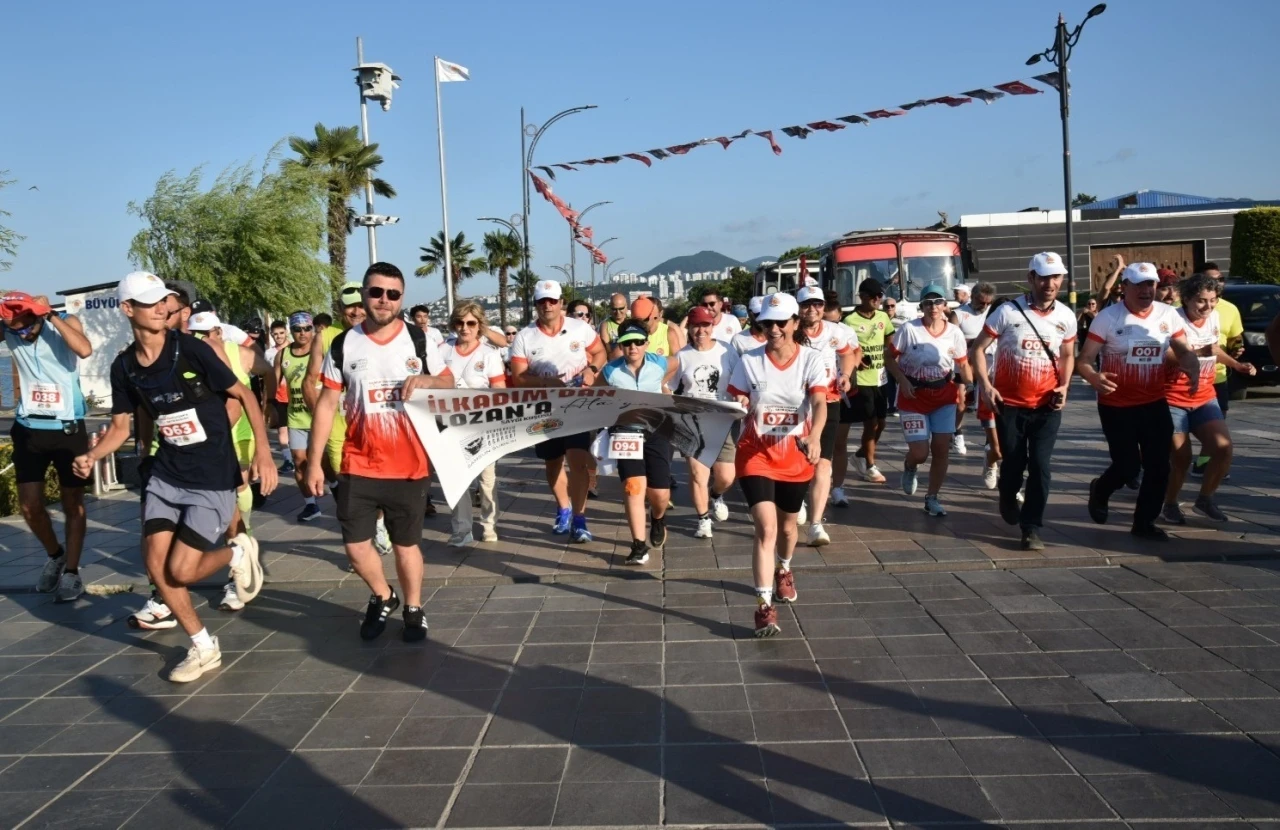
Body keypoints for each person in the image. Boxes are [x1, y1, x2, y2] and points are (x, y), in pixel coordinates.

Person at [75, 272, 276, 682]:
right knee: (156, 566)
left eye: (163, 301)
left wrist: (264, 454)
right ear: (127, 309)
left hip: (211, 473)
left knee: (181, 572)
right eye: (150, 302)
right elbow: (120, 427)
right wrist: (93, 454)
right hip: (166, 475)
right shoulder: (124, 367)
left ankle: (237, 553)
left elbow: (244, 395)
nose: (161, 308)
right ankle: (203, 646)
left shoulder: (191, 350)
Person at [308, 262, 453, 641]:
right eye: (376, 292)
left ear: (401, 298)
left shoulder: (419, 340)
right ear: (364, 295)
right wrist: (314, 462)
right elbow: (326, 404)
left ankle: (414, 608)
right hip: (358, 463)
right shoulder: (344, 343)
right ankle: (383, 594)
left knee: (406, 547)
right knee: (356, 547)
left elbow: (449, 382)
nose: (384, 300)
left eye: (393, 294)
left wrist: (427, 379)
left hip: (409, 465)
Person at [1076, 262, 1203, 540]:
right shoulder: (1108, 318)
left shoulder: (1167, 314)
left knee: (1159, 467)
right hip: (1116, 405)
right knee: (1128, 467)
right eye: (1139, 285)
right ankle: (1101, 489)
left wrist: (1191, 364)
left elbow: (1183, 349)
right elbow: (1084, 360)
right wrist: (1094, 377)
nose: (1147, 290)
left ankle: (1144, 523)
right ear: (1125, 287)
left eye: (1151, 284)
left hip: (1154, 401)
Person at [726, 293, 827, 637]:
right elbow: (737, 397)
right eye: (767, 323)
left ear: (795, 323)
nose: (773, 329)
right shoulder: (749, 361)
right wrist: (740, 401)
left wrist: (815, 437)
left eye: (781, 322)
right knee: (766, 528)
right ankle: (764, 608)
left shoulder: (811, 359)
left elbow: (819, 401)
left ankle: (784, 568)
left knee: (787, 528)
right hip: (755, 453)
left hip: (795, 455)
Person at [970, 253, 1077, 550]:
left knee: (1041, 466)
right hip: (1010, 405)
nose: (1050, 284)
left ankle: (1031, 528)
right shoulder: (1007, 312)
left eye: (1056, 277)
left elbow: (1068, 355)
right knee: (1014, 464)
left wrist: (1065, 386)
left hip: (1047, 405)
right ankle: (1007, 495)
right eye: (1043, 277)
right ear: (1031, 278)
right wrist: (986, 386)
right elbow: (977, 349)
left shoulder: (1066, 316)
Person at [1, 292, 93, 601]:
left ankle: (72, 572)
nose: (22, 335)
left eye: (27, 327)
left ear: (37, 316)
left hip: (67, 428)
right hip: (29, 428)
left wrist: (51, 314)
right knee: (29, 506)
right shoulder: (11, 328)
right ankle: (56, 555)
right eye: (14, 331)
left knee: (73, 503)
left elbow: (84, 349)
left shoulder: (64, 321)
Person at [187, 310, 277, 611]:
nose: (203, 340)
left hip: (240, 432)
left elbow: (268, 370)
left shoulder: (239, 353)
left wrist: (269, 403)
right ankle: (241, 547)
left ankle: (242, 544)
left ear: (218, 332)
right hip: (207, 436)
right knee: (229, 494)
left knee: (237, 487)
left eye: (208, 334)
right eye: (196, 335)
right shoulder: (187, 355)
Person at [509, 280, 607, 542]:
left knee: (577, 461)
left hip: (577, 405)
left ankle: (580, 519)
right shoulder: (525, 336)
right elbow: (518, 377)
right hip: (545, 408)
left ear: (561, 303)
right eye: (542, 301)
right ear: (536, 305)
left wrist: (592, 370)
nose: (548, 306)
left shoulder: (579, 328)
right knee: (553, 462)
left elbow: (600, 352)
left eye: (552, 300)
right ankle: (563, 508)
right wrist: (545, 382)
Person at [1162, 273, 1255, 524]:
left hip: (1204, 396)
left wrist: (1237, 365)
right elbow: (1166, 355)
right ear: (1187, 299)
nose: (1208, 306)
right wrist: (1194, 353)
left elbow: (1213, 350)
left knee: (1223, 448)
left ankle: (1205, 499)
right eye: (1202, 301)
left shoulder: (1214, 317)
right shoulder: (1172, 318)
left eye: (1213, 300)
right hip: (1172, 399)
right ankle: (1169, 503)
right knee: (1181, 458)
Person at [885, 283, 970, 517]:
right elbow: (889, 357)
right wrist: (902, 380)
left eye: (938, 302)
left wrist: (969, 385)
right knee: (920, 452)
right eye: (928, 303)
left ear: (945, 305)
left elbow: (963, 364)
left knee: (941, 448)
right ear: (921, 306)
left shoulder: (954, 332)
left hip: (944, 396)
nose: (933, 307)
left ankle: (932, 497)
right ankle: (910, 465)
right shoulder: (909, 329)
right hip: (913, 397)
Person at [601, 320, 678, 565]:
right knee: (633, 488)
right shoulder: (610, 371)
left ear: (646, 343)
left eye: (637, 342)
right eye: (627, 343)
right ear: (620, 346)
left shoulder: (659, 363)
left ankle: (658, 518)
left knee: (660, 494)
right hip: (625, 434)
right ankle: (638, 545)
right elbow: (594, 394)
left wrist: (663, 386)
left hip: (656, 431)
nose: (632, 347)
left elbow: (676, 363)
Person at [795, 284, 859, 545]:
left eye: (817, 304)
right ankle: (797, 501)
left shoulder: (835, 331)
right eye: (806, 304)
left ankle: (816, 525)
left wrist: (846, 375)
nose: (812, 309)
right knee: (798, 461)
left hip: (828, 400)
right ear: (798, 308)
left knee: (823, 462)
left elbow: (848, 355)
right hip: (797, 403)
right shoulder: (790, 330)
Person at [440, 301, 505, 546]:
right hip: (451, 427)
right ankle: (462, 529)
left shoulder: (488, 353)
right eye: (459, 322)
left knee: (487, 482)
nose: (464, 328)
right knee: (457, 480)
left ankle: (489, 525)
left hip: (483, 425)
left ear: (479, 325)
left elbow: (500, 390)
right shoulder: (442, 351)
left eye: (470, 323)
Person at [674, 305, 740, 539]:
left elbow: (740, 381)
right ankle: (703, 520)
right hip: (693, 422)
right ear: (689, 328)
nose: (700, 331)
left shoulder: (727, 351)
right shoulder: (682, 355)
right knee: (697, 474)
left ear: (712, 327)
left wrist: (741, 397)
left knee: (726, 477)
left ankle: (716, 495)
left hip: (724, 420)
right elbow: (668, 386)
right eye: (695, 326)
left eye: (705, 325)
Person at [1192, 262, 1243, 479]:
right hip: (1184, 380)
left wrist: (1236, 349)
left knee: (1216, 425)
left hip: (1217, 376)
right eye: (1211, 280)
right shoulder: (1181, 308)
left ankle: (1205, 463)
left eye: (1220, 279)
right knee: (1177, 433)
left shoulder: (1229, 309)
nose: (1218, 283)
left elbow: (1235, 337)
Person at [843, 278, 894, 485]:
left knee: (881, 423)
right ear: (862, 297)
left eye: (880, 296)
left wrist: (888, 354)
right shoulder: (849, 320)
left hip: (881, 377)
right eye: (874, 296)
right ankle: (869, 465)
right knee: (870, 422)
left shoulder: (883, 316)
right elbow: (845, 348)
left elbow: (889, 340)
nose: (878, 300)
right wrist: (857, 358)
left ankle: (860, 455)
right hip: (862, 379)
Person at [275, 311, 322, 522]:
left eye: (306, 328)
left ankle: (338, 492)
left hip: (320, 417)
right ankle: (311, 505)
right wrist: (269, 406)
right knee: (299, 461)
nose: (302, 333)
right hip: (296, 417)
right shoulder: (283, 355)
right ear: (290, 331)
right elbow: (273, 383)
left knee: (326, 464)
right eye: (297, 329)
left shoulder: (321, 351)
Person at [949, 282, 996, 456]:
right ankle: (957, 433)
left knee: (989, 401)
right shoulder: (958, 314)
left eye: (988, 303)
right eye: (981, 302)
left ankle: (990, 439)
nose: (984, 306)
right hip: (964, 363)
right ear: (973, 297)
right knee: (960, 402)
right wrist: (975, 342)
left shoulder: (993, 313)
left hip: (987, 363)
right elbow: (951, 338)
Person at [262, 320, 292, 472]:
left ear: (286, 332)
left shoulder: (295, 348)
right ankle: (288, 460)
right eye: (275, 334)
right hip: (279, 396)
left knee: (300, 429)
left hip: (295, 395)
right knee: (282, 429)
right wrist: (267, 400)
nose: (279, 336)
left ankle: (305, 459)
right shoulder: (269, 353)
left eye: (281, 333)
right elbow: (267, 377)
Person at [612, 295, 679, 359]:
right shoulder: (629, 334)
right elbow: (615, 358)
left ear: (653, 315)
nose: (641, 324)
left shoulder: (669, 332)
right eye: (637, 321)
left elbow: (677, 361)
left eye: (645, 320)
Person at [882, 297, 900, 416]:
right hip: (884, 355)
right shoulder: (879, 320)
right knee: (888, 383)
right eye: (887, 306)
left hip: (898, 355)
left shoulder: (902, 322)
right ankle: (891, 406)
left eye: (892, 306)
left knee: (899, 381)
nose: (890, 308)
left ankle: (898, 405)